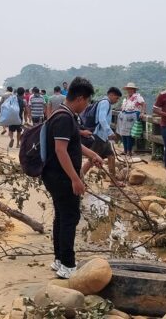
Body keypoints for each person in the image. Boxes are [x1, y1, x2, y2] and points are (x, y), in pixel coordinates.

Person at [42, 77, 103, 278]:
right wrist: (75, 179)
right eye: (86, 102)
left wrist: (92, 155)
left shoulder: (63, 114)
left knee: (62, 216)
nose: (86, 106)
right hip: (61, 177)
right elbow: (61, 151)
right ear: (79, 98)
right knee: (70, 217)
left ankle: (59, 259)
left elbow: (73, 144)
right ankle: (68, 265)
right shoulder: (64, 118)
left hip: (56, 176)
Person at [82, 87, 123, 185]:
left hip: (102, 137)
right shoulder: (105, 103)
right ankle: (79, 178)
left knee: (111, 156)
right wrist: (110, 132)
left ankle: (113, 181)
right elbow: (102, 119)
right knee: (92, 159)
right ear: (111, 95)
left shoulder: (103, 102)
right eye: (116, 98)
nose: (116, 101)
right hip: (99, 136)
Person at [116, 82, 146, 156]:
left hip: (132, 116)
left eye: (131, 89)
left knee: (129, 134)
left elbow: (143, 104)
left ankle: (129, 150)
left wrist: (142, 112)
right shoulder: (126, 98)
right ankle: (125, 150)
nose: (129, 90)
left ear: (134, 90)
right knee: (123, 134)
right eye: (128, 89)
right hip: (125, 116)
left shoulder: (137, 97)